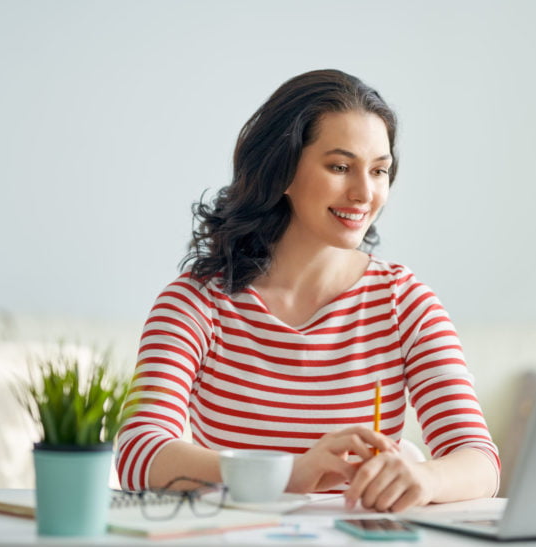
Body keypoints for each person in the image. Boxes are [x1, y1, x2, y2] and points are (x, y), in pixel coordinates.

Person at [116, 69, 500, 512]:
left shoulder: (404, 303)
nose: (364, 193)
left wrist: (424, 477)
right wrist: (288, 474)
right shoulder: (196, 303)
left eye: (379, 171)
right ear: (281, 170)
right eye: (340, 167)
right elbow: (138, 451)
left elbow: (481, 461)